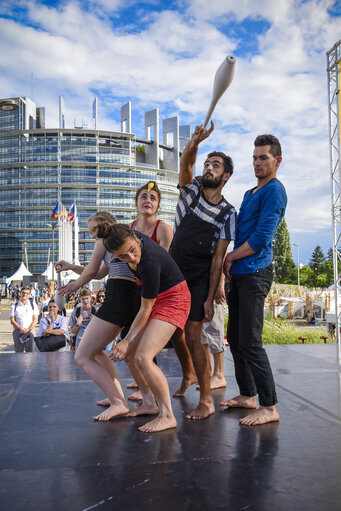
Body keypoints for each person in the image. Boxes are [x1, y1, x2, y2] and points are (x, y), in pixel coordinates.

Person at [170, 121, 237, 419]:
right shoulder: (191, 190)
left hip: (199, 277)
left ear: (226, 176)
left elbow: (218, 259)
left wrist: (211, 296)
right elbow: (186, 163)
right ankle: (189, 375)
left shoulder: (227, 212)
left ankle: (206, 400)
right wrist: (194, 143)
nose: (208, 168)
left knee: (194, 336)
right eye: (207, 163)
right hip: (172, 271)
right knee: (174, 333)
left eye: (216, 165)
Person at [97, 223, 191, 433]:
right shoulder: (125, 238)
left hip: (175, 299)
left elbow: (146, 308)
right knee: (130, 356)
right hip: (159, 300)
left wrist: (126, 340)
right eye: (122, 256)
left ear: (136, 238)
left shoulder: (149, 260)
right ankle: (149, 403)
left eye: (132, 250)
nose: (131, 258)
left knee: (142, 357)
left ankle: (167, 415)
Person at [221, 134, 287, 426]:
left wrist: (231, 258)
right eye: (255, 157)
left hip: (256, 271)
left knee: (250, 341)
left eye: (264, 158)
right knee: (234, 339)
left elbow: (261, 238)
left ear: (277, 161)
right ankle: (247, 395)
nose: (258, 162)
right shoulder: (249, 193)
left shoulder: (275, 191)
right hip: (239, 274)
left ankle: (269, 406)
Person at [56, 211, 141, 421]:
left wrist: (75, 286)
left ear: (106, 225)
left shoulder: (106, 238)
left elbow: (92, 270)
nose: (92, 234)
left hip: (119, 294)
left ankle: (117, 402)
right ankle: (116, 396)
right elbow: (100, 272)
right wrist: (71, 267)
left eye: (94, 229)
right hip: (129, 295)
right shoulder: (114, 242)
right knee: (96, 351)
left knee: (82, 355)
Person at [127, 180, 183, 401]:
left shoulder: (163, 229)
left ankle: (152, 386)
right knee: (136, 341)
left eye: (152, 198)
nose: (147, 201)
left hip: (159, 291)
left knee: (147, 346)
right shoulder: (129, 229)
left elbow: (155, 264)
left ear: (158, 205)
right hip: (137, 290)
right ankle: (144, 380)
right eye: (143, 197)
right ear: (136, 202)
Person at [10, 286, 39, 352]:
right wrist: (22, 330)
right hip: (18, 331)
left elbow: (35, 320)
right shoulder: (14, 305)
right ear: (20, 294)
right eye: (23, 292)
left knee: (30, 353)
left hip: (30, 331)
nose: (24, 294)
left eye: (27, 293)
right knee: (18, 353)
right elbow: (12, 320)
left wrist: (27, 331)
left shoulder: (33, 305)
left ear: (29, 295)